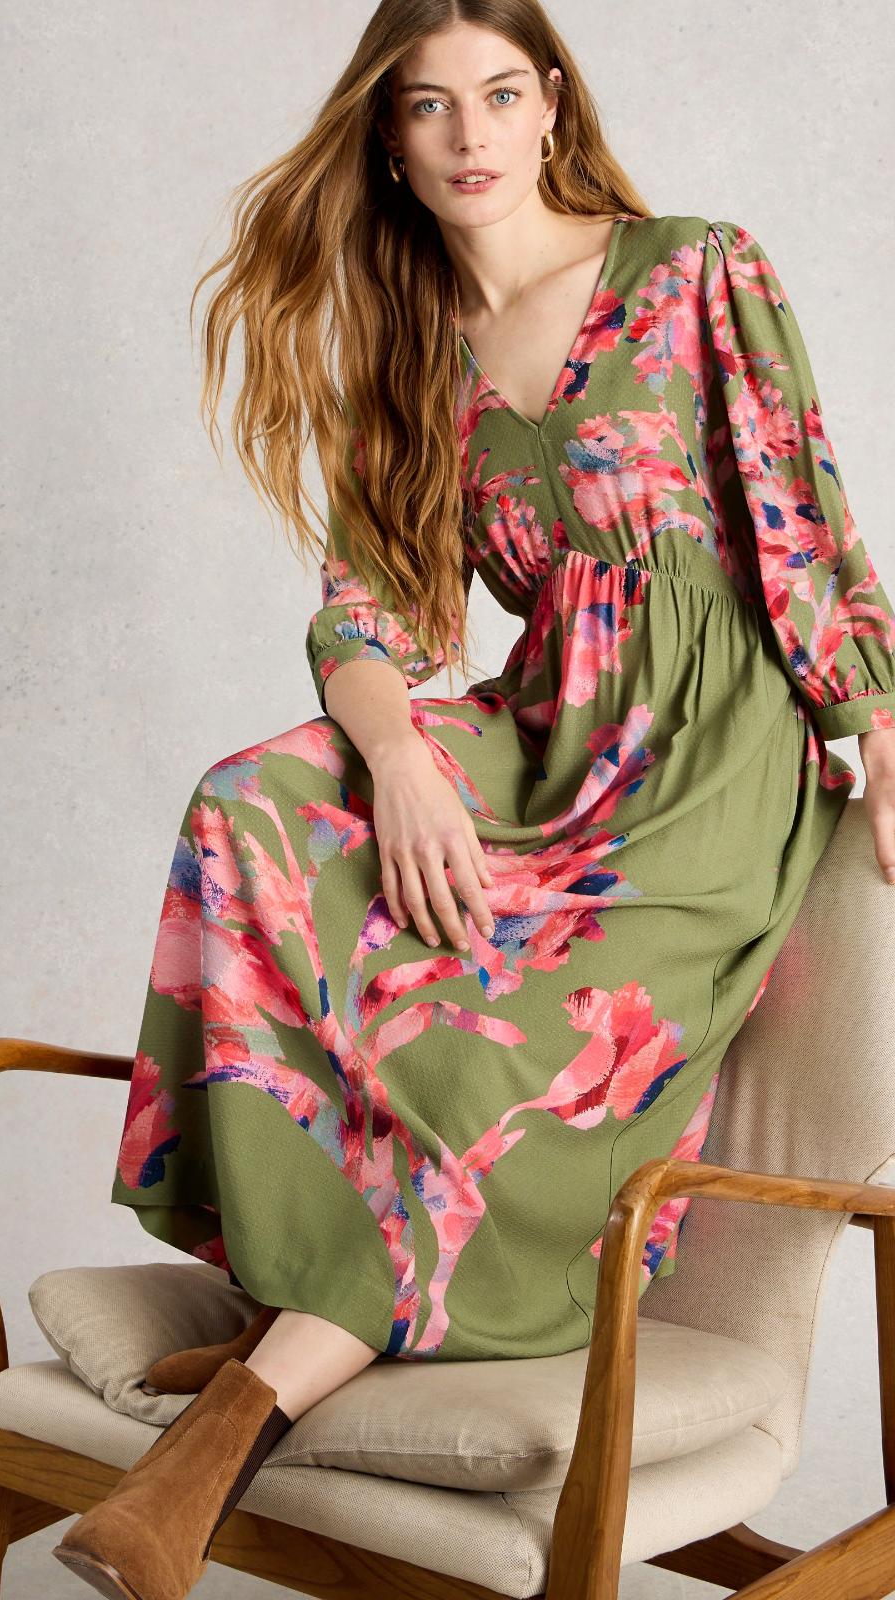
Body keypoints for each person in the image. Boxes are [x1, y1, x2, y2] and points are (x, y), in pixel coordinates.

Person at [52, 5, 895, 1596]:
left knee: (474, 1053)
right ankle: (315, 1298)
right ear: (388, 136)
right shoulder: (414, 355)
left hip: (711, 766)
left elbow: (799, 520)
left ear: (551, 100)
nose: (472, 134)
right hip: (543, 737)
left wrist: (883, 726)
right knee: (250, 802)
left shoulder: (694, 269)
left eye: (501, 93)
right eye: (430, 106)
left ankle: (224, 1430)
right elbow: (366, 609)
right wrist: (399, 763)